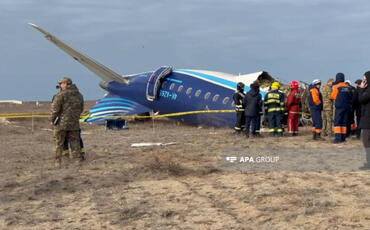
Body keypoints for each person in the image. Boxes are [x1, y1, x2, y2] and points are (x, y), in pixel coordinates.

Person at [51, 77, 84, 167]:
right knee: (75, 142)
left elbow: (55, 109)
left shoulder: (60, 95)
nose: (60, 85)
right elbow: (81, 109)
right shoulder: (79, 95)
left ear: (65, 84)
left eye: (61, 84)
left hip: (61, 124)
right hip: (74, 123)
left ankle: (58, 162)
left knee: (59, 143)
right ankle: (77, 161)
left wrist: (53, 120)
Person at [331, 73, 352, 143]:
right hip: (347, 107)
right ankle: (343, 137)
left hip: (339, 107)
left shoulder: (337, 86)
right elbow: (351, 96)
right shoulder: (348, 87)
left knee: (337, 122)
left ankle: (337, 138)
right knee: (344, 122)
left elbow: (333, 96)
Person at [358, 72, 370, 169]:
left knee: (366, 141)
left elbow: (361, 99)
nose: (363, 81)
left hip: (368, 120)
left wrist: (361, 89)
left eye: (365, 79)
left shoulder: (368, 91)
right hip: (367, 119)